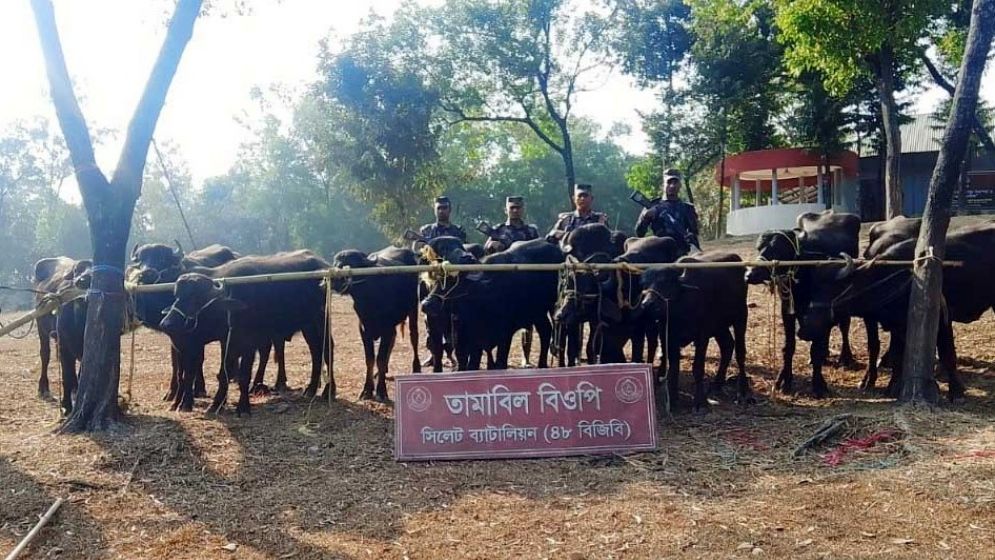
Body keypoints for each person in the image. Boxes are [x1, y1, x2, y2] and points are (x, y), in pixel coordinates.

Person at [635, 168, 701, 254]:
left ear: (680, 185)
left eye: (675, 182)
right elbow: (639, 234)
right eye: (669, 182)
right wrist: (645, 217)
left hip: (680, 252)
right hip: (659, 252)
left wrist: (691, 239)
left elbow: (694, 234)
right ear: (663, 184)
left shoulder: (687, 208)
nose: (672, 186)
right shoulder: (652, 206)